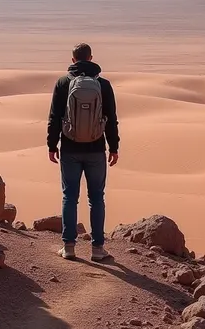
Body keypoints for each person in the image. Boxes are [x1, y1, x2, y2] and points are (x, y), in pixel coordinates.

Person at [47, 43, 120, 261]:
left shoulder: (63, 83)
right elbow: (111, 119)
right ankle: (97, 249)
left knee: (70, 196)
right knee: (96, 197)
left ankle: (69, 247)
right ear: (90, 58)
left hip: (69, 148)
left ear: (73, 60)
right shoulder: (103, 85)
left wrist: (52, 145)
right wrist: (114, 147)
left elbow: (54, 117)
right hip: (96, 149)